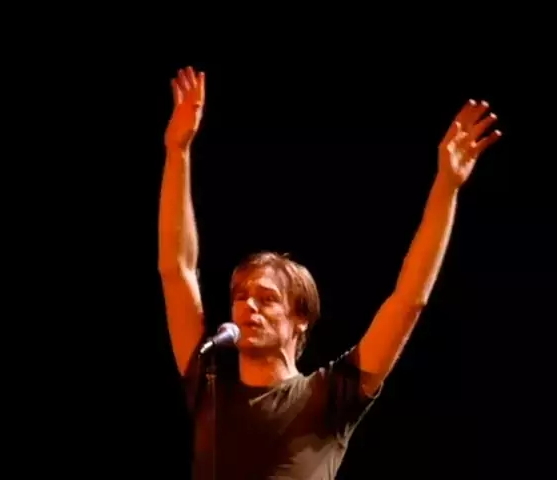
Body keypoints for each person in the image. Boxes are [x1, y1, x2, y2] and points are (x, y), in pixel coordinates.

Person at [158, 66, 501, 480]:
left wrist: (446, 187)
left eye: (267, 298)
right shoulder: (209, 380)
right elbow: (176, 269)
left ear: (300, 319)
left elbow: (409, 300)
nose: (249, 306)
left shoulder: (331, 395)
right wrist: (178, 151)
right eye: (241, 296)